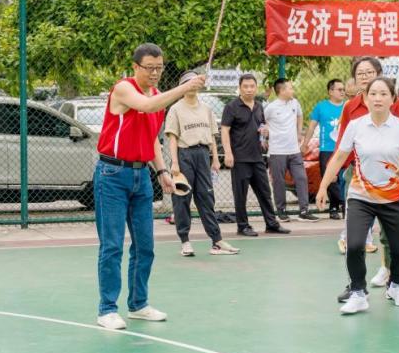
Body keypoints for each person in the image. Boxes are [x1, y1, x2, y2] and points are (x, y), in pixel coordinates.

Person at [93, 43, 206, 331]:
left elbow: (152, 137)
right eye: (149, 68)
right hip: (112, 174)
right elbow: (146, 106)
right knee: (112, 245)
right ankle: (107, 309)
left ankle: (138, 304)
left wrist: (162, 171)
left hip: (141, 176)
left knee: (145, 245)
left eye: (159, 68)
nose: (155, 73)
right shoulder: (124, 89)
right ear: (136, 67)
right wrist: (186, 87)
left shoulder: (157, 95)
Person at [317, 76, 399, 314]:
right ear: (365, 99)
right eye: (373, 94)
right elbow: (339, 157)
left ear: (393, 99)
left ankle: (396, 286)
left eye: (383, 94)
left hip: (392, 197)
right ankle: (358, 293)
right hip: (361, 196)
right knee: (355, 244)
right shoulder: (356, 125)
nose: (378, 98)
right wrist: (323, 186)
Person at [334, 56, 399, 301]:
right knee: (354, 236)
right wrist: (338, 171)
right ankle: (355, 285)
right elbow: (342, 144)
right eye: (360, 74)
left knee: (391, 237)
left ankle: (392, 279)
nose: (365, 77)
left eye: (369, 72)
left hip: (390, 177)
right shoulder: (350, 107)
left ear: (379, 75)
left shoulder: (392, 103)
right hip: (357, 174)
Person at [165, 71, 238, 257]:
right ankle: (185, 241)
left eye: (195, 81)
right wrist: (174, 163)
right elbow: (173, 138)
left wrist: (215, 159)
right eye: (188, 81)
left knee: (206, 198)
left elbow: (212, 136)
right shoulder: (175, 109)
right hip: (184, 155)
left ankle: (217, 241)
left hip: (203, 155)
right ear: (182, 86)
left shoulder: (206, 108)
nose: (192, 84)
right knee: (182, 199)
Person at [221, 74, 290, 238]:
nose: (249, 89)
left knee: (265, 193)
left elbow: (261, 126)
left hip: (258, 158)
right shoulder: (231, 107)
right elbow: (224, 130)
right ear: (240, 88)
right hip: (240, 158)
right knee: (241, 195)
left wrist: (265, 134)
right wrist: (228, 153)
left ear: (256, 87)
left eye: (252, 86)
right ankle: (243, 226)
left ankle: (271, 224)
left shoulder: (259, 106)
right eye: (245, 86)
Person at [266, 78, 317, 222]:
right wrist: (266, 133)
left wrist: (299, 132)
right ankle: (281, 211)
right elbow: (262, 122)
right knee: (279, 182)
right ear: (282, 90)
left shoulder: (295, 103)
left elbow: (300, 116)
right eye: (290, 88)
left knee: (301, 178)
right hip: (277, 152)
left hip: (294, 151)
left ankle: (304, 211)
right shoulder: (271, 108)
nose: (292, 90)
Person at [304, 78, 347, 219]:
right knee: (329, 178)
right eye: (339, 89)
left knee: (342, 179)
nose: (343, 92)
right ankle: (340, 204)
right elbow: (312, 126)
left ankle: (337, 206)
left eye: (343, 89)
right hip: (327, 149)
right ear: (330, 91)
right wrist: (305, 144)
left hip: (344, 149)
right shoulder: (321, 107)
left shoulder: (347, 106)